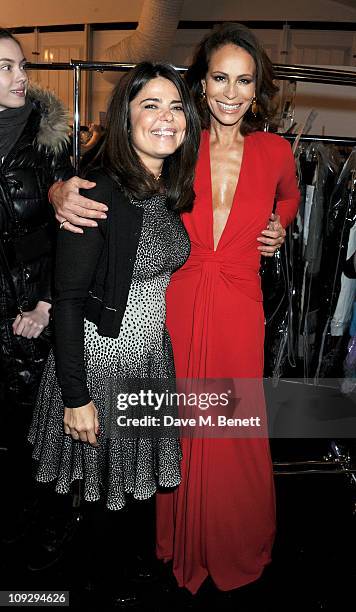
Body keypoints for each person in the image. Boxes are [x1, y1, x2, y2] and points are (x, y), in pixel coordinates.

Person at [48, 24, 299, 600]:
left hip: (238, 307)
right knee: (178, 430)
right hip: (176, 305)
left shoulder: (276, 151)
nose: (232, 93)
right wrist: (58, 192)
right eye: (219, 79)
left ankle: (233, 541)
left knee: (235, 429)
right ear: (202, 85)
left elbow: (288, 196)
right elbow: (104, 175)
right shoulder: (178, 141)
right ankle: (174, 542)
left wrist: (279, 226)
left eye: (245, 80)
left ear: (257, 88)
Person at [28, 61, 200, 513]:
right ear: (127, 118)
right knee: (86, 503)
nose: (167, 116)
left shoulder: (171, 189)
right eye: (151, 105)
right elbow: (67, 302)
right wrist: (76, 397)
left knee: (127, 496)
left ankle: (121, 575)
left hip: (150, 361)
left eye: (176, 107)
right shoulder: (98, 191)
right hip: (99, 368)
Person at [0, 28, 72, 550]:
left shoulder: (50, 142)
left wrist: (46, 305)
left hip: (31, 311)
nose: (21, 76)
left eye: (21, 65)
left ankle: (41, 534)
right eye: (5, 66)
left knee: (35, 434)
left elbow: (72, 232)